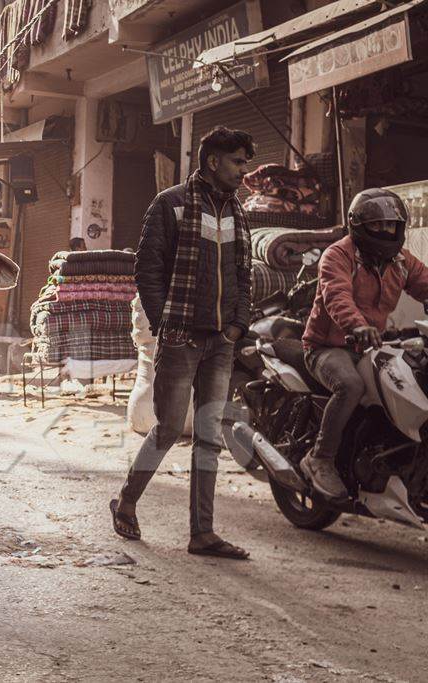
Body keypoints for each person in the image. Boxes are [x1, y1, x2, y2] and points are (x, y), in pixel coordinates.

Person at [111, 126, 254, 560]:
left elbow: (244, 276)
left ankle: (203, 534)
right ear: (213, 161)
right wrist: (163, 325)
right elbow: (146, 271)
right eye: (237, 162)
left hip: (221, 342)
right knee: (170, 428)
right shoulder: (170, 204)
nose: (243, 172)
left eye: (246, 163)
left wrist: (237, 325)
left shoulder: (237, 212)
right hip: (180, 339)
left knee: (209, 436)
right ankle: (127, 501)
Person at [300, 189, 428, 500]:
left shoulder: (400, 261)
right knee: (351, 386)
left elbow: (425, 282)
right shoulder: (338, 256)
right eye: (377, 225)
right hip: (328, 347)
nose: (385, 232)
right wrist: (357, 326)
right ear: (359, 226)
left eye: (391, 226)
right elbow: (337, 296)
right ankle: (320, 459)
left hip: (370, 346)